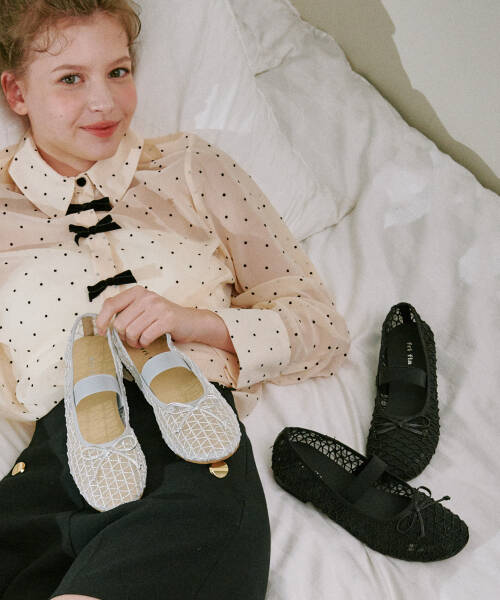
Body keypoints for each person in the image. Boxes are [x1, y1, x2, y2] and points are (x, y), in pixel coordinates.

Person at [0, 1, 350, 598]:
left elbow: (322, 331)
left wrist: (197, 323)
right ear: (17, 93)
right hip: (52, 464)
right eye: (70, 79)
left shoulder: (190, 167)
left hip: (190, 459)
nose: (105, 103)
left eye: (118, 71)